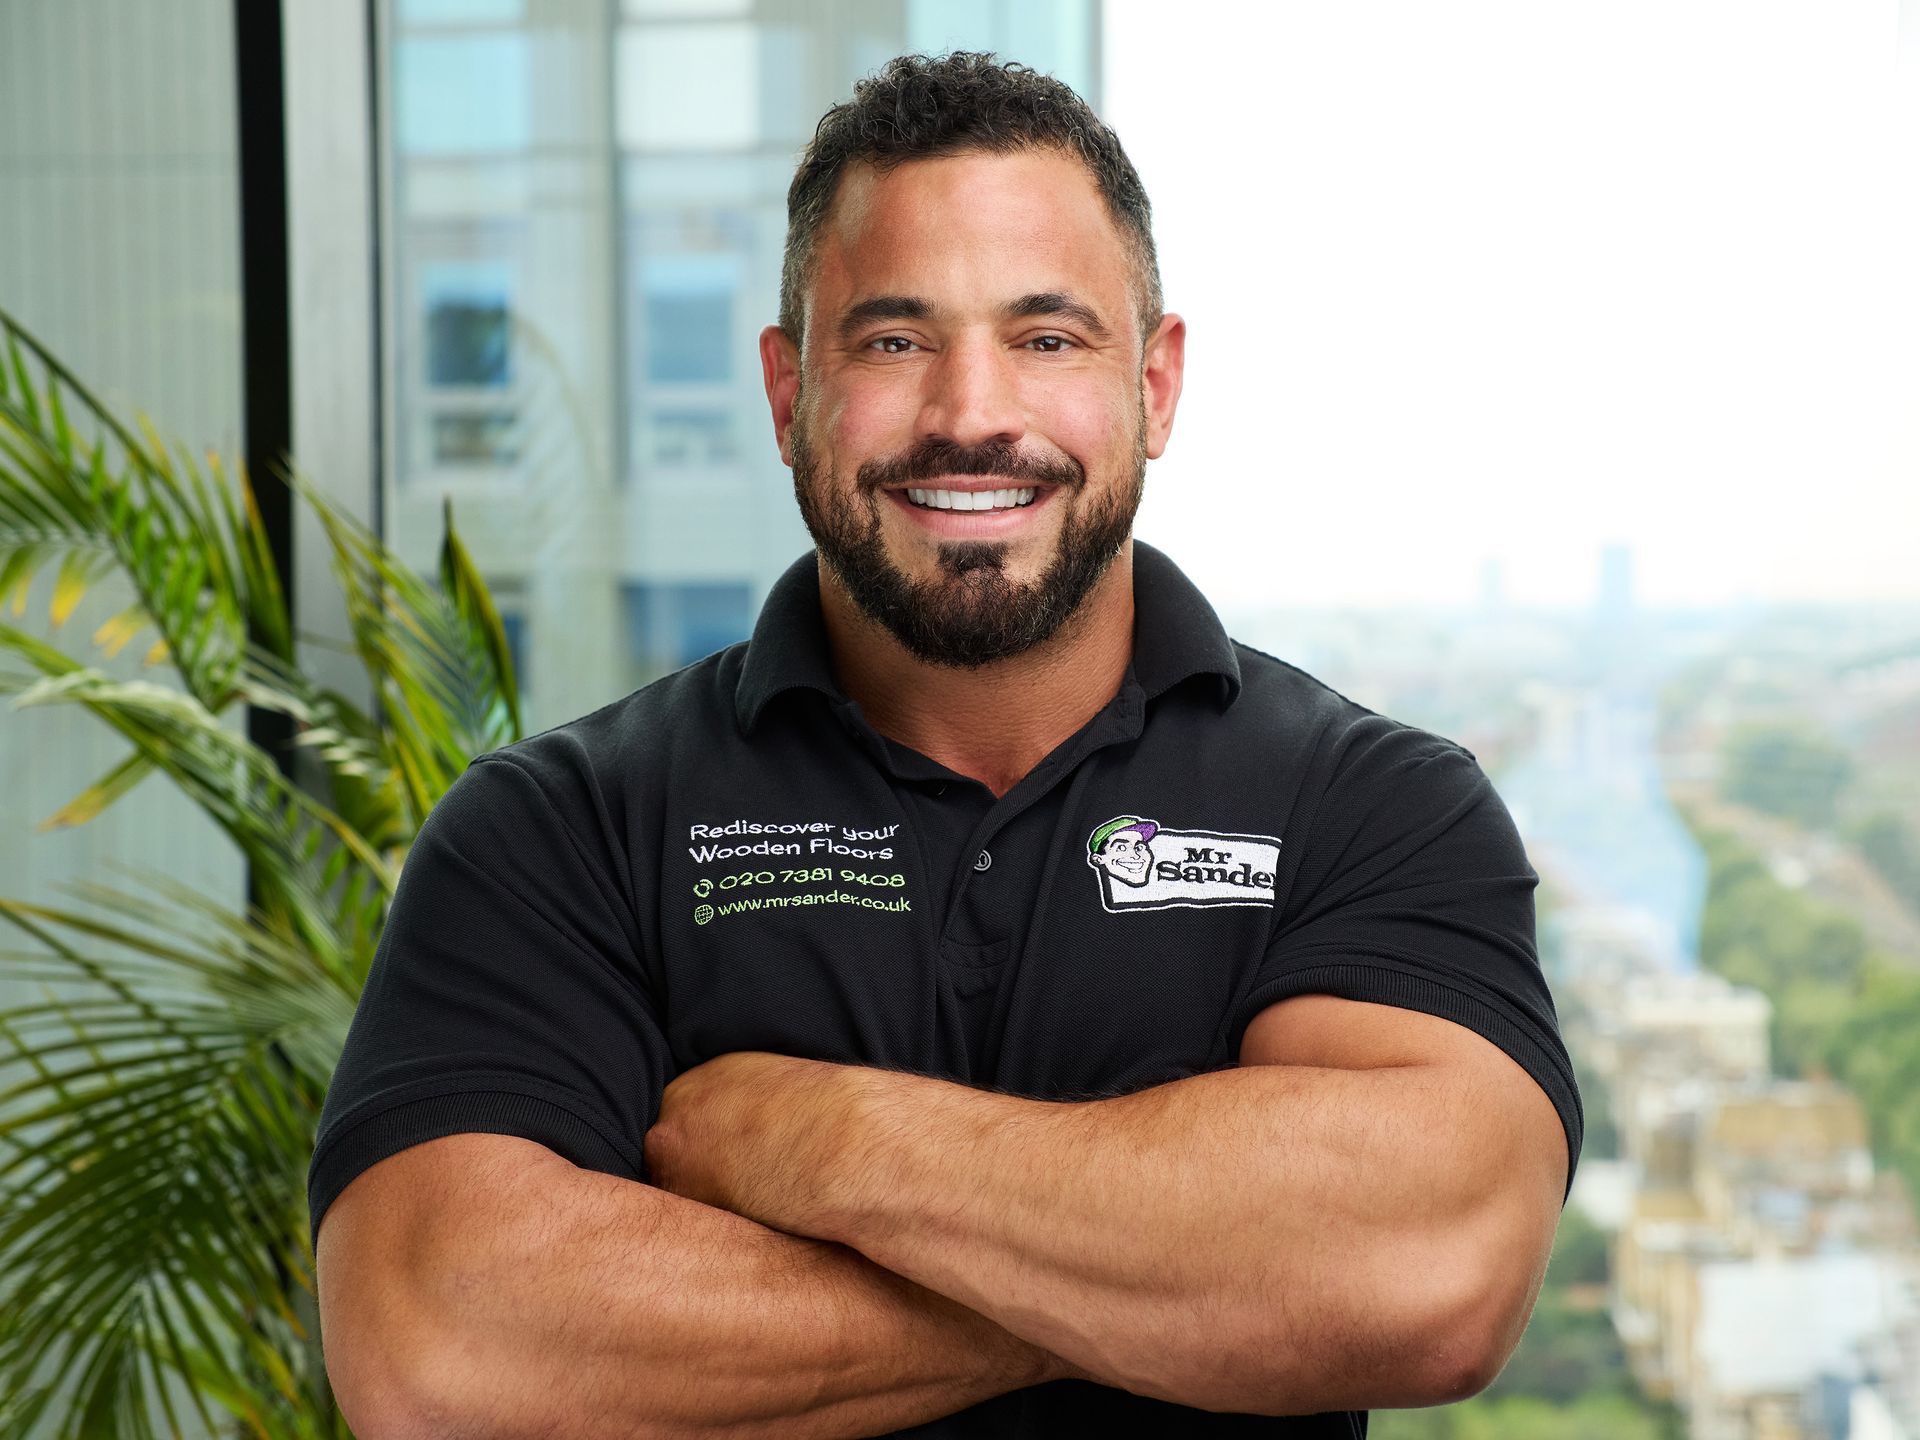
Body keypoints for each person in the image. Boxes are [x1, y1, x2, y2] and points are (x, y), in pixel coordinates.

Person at [310, 51, 1581, 1438]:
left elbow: (1433, 1268)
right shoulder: (559, 828)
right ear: (790, 389)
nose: (972, 414)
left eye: (1047, 340)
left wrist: (828, 1145)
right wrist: (1184, 1281)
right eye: (895, 340)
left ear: (1155, 386)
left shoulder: (1372, 805)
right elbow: (442, 1345)